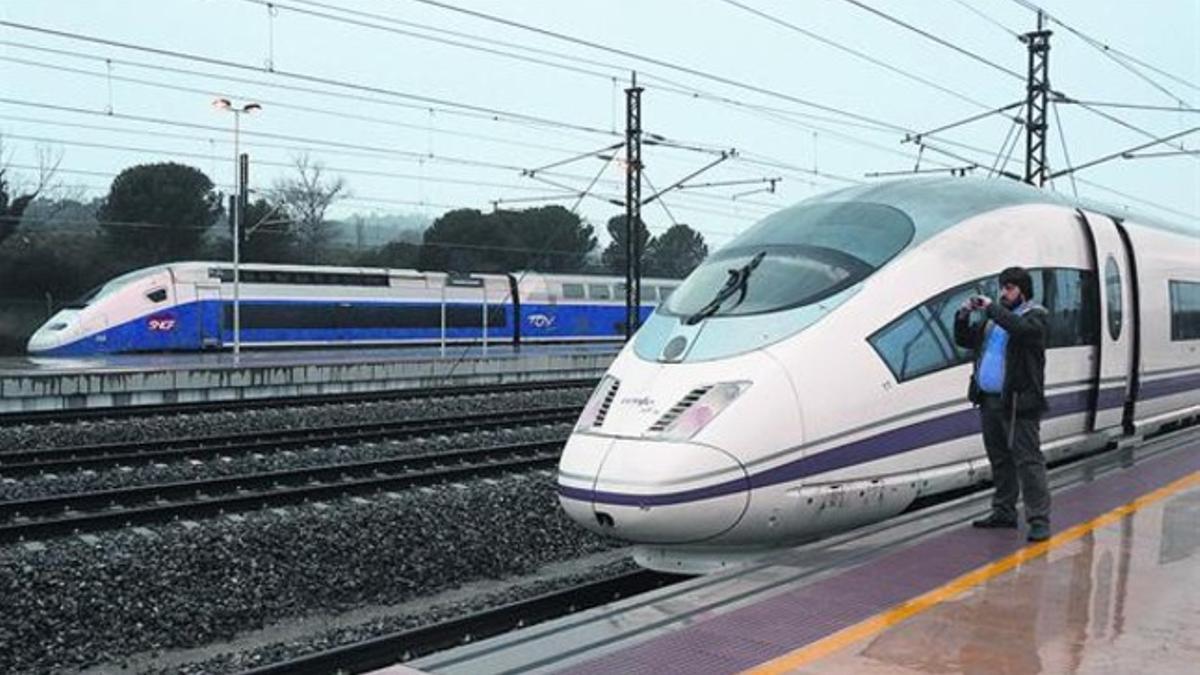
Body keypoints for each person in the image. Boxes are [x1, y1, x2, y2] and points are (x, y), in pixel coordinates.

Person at [954, 266, 1051, 542]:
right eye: (1002, 288)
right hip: (990, 401)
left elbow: (1020, 329)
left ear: (1023, 290)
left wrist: (992, 308)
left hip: (1020, 403)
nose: (1004, 293)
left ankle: (1039, 520)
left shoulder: (1036, 317)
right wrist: (962, 314)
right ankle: (1004, 511)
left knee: (1028, 461)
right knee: (1000, 459)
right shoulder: (993, 321)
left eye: (1009, 288)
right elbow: (964, 340)